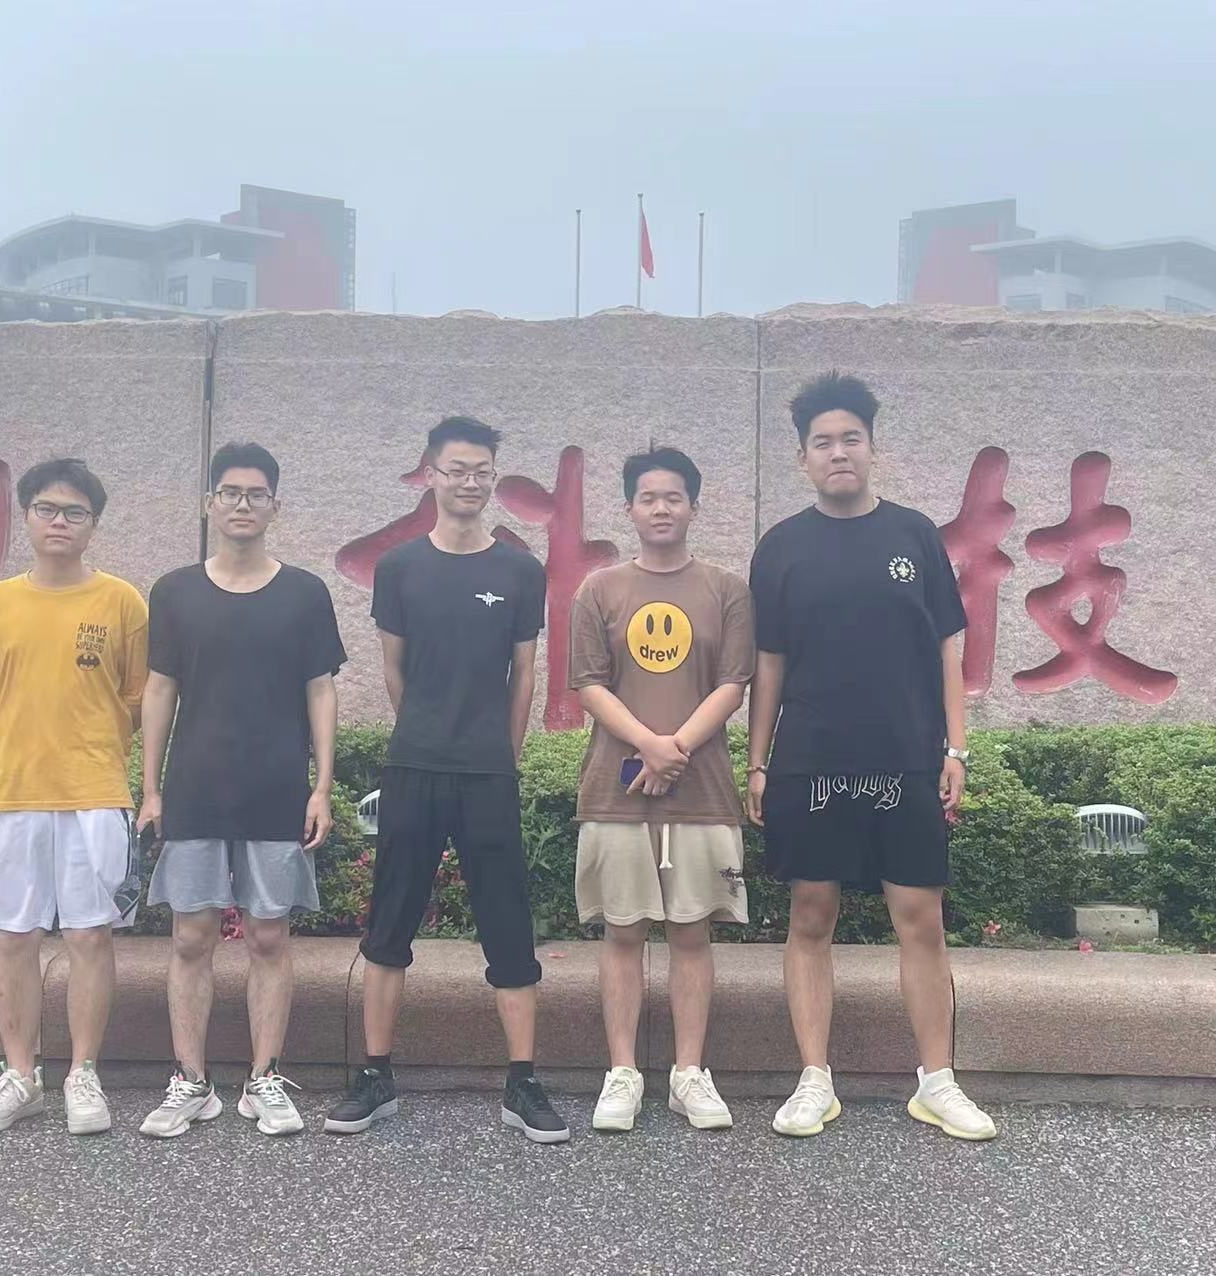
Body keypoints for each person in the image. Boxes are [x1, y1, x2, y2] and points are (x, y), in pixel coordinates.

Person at [747, 373, 997, 1142]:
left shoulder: (914, 536)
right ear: (802, 458)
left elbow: (949, 649)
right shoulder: (781, 547)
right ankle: (814, 1080)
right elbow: (769, 664)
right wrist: (758, 762)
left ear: (872, 448)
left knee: (919, 917)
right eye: (822, 442)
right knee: (810, 914)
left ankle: (938, 1082)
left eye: (850, 438)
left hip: (904, 759)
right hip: (811, 762)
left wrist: (955, 747)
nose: (838, 453)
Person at [325, 415, 569, 1144]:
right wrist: (427, 733)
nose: (470, 482)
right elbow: (394, 669)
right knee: (390, 922)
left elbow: (524, 674)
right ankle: (375, 1075)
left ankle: (522, 1081)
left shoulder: (519, 571)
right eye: (457, 469)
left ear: (494, 476)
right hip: (415, 766)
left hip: (487, 773)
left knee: (508, 923)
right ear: (430, 474)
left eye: (482, 471)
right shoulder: (400, 568)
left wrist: (503, 753)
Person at [0, 458, 148, 1136]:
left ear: (93, 524)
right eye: (47, 508)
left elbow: (140, 700)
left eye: (75, 512)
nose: (59, 521)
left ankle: (83, 1074)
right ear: (26, 516)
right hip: (9, 792)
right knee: (13, 937)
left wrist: (94, 740)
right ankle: (20, 1075)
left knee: (89, 936)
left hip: (94, 794)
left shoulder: (123, 602)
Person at [135, 442, 345, 1139]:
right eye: (230, 492)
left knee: (269, 935)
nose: (242, 505)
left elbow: (321, 690)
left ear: (275, 506)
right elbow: (159, 690)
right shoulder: (175, 591)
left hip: (277, 787)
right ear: (209, 504)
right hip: (195, 787)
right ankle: (190, 1082)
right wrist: (151, 789)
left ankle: (264, 1080)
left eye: (256, 494)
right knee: (191, 936)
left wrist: (322, 785)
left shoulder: (305, 593)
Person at [569, 448, 753, 1133]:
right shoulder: (599, 590)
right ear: (629, 508)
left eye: (674, 497)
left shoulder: (726, 589)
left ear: (694, 506)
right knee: (622, 931)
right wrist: (649, 744)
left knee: (691, 932)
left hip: (700, 790)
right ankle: (622, 1073)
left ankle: (688, 1073)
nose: (661, 508)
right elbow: (588, 684)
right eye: (648, 497)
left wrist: (673, 751)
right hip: (616, 790)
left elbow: (732, 684)